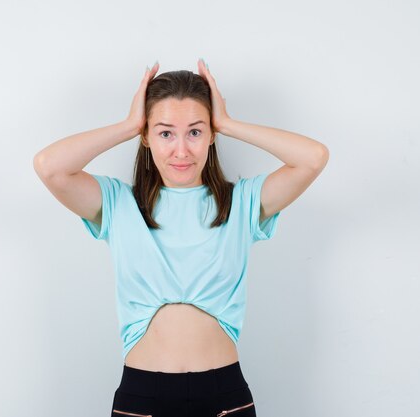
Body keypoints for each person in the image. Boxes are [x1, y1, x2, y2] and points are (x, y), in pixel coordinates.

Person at [33, 58, 328, 417]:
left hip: (225, 395)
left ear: (210, 135)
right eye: (165, 132)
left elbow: (314, 158)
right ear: (147, 136)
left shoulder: (243, 202)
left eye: (195, 131)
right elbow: (50, 167)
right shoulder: (117, 203)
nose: (182, 150)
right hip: (143, 396)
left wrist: (229, 123)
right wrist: (128, 125)